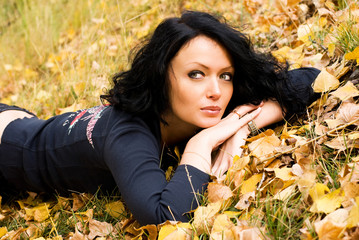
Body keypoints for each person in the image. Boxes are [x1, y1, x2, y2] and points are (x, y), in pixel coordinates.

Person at [0, 11, 320, 225]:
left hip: (25, 123)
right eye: (196, 74)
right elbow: (164, 215)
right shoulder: (128, 133)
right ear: (161, 76)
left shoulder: (205, 101)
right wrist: (202, 143)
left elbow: (310, 79)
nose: (216, 91)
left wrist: (240, 122)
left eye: (225, 75)